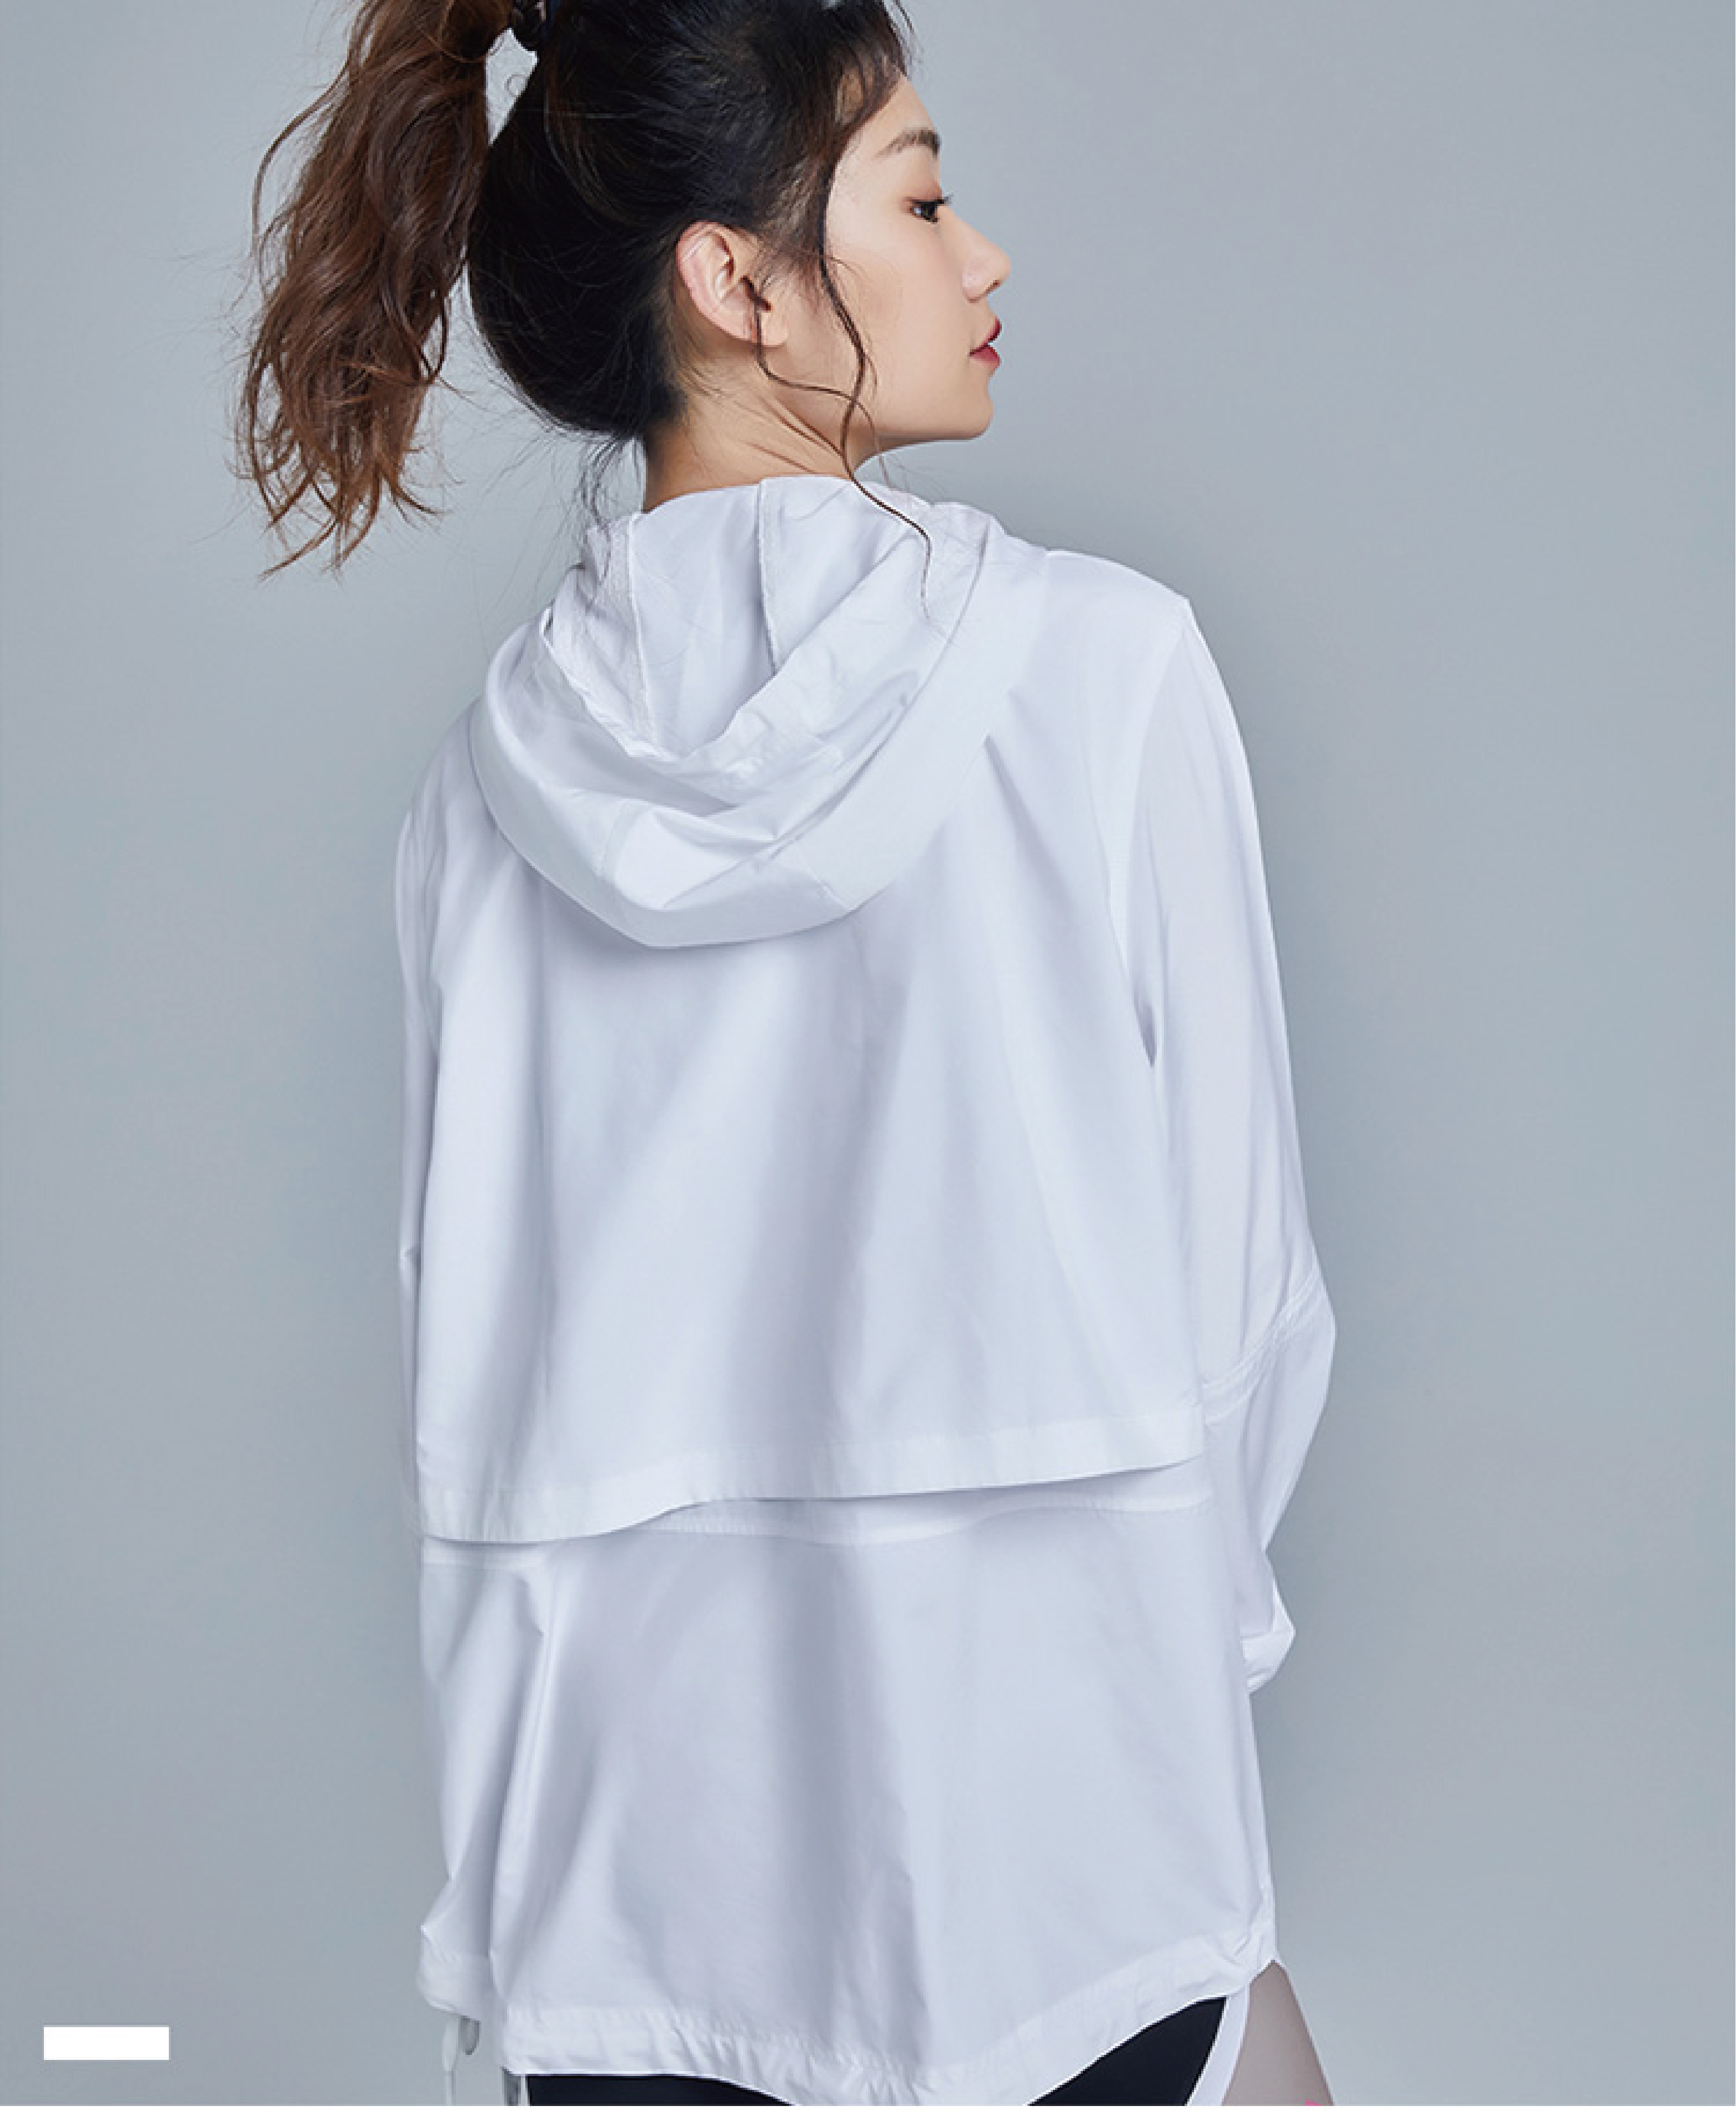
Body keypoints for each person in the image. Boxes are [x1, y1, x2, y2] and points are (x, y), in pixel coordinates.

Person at [234, 0, 1338, 2102]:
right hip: (1071, 1888)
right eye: (920, 197)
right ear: (734, 281)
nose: (982, 254)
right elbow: (1247, 1315)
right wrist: (1167, 1664)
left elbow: (462, 1381)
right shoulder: (1107, 680)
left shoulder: (477, 800)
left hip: (623, 1927)